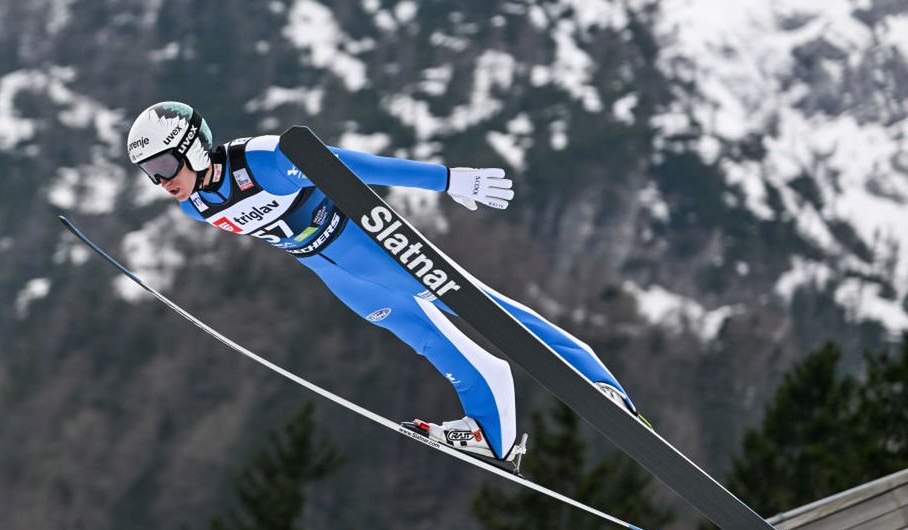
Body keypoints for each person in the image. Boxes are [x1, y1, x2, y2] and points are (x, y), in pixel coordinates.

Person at [126, 101, 646, 463]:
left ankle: (597, 381)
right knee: (431, 342)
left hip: (370, 247)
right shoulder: (196, 208)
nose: (161, 179)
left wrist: (449, 180)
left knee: (484, 308)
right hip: (340, 279)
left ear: (194, 147)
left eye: (165, 163)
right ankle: (493, 435)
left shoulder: (264, 160)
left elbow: (353, 167)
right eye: (150, 172)